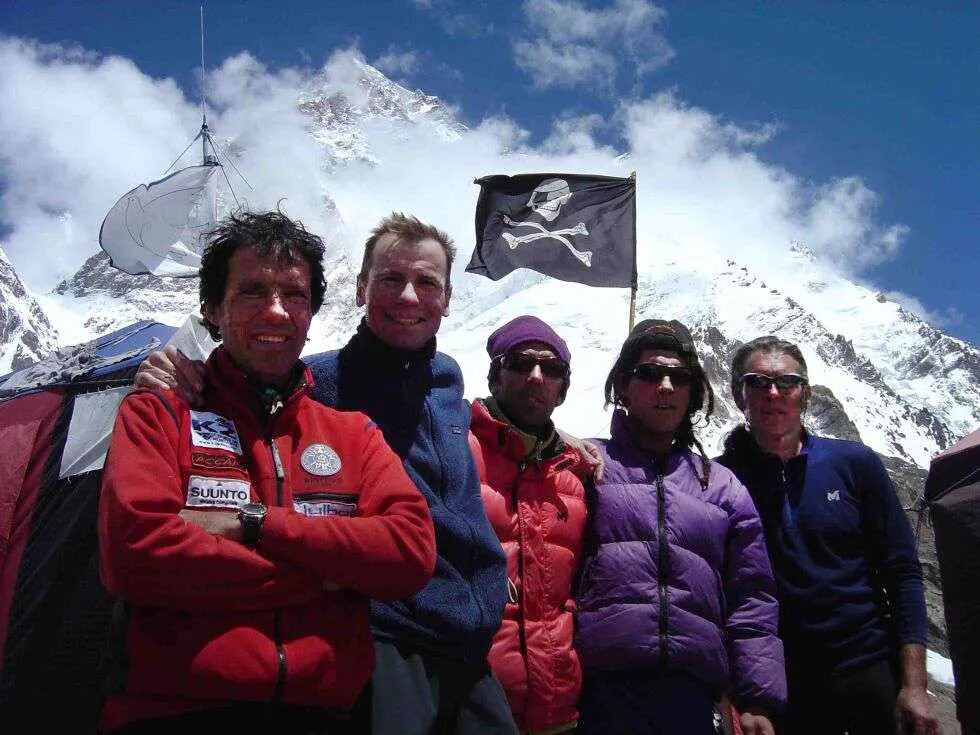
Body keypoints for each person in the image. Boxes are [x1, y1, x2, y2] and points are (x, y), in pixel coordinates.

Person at [134, 212, 518, 734]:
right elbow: (250, 383)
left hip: (469, 638)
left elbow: (495, 424)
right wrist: (171, 373)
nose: (409, 297)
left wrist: (569, 439)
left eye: (427, 282)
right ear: (361, 289)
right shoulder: (319, 382)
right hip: (387, 633)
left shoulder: (449, 382)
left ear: (447, 298)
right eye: (390, 279)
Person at [717, 335, 940, 735]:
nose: (773, 393)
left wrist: (914, 685)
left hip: (870, 667)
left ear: (804, 394)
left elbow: (902, 572)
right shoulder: (720, 479)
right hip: (783, 682)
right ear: (739, 395)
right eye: (757, 382)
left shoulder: (854, 463)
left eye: (787, 382)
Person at [574, 319, 785, 735]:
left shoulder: (723, 487)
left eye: (679, 376)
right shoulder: (584, 465)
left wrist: (757, 698)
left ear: (694, 393)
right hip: (598, 693)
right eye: (649, 373)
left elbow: (751, 595)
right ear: (622, 386)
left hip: (693, 698)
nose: (666, 386)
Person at [470, 316, 587, 735]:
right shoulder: (455, 450)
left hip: (558, 710)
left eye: (551, 369)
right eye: (521, 363)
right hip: (472, 703)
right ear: (495, 375)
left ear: (562, 388)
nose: (537, 377)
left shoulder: (576, 480)